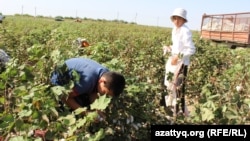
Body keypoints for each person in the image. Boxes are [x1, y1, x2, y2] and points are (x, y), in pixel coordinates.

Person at [50, 57, 126, 116]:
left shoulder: (107, 74)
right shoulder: (87, 81)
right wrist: (86, 113)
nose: (103, 96)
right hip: (57, 81)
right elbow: (65, 97)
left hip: (78, 79)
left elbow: (93, 92)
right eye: (104, 93)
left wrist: (97, 110)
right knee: (80, 105)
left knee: (88, 103)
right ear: (102, 81)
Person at [162, 8, 196, 116]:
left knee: (178, 89)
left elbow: (191, 49)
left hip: (182, 65)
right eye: (175, 18)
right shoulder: (175, 29)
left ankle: (180, 112)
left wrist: (178, 56)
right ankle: (172, 109)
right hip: (173, 63)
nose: (176, 21)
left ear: (184, 20)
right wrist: (170, 48)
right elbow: (178, 46)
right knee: (169, 85)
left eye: (179, 19)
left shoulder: (185, 31)